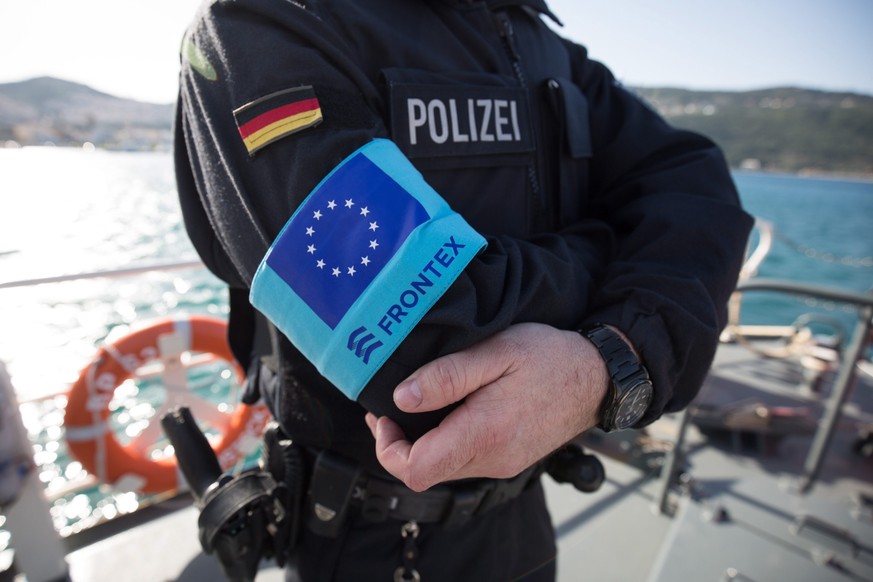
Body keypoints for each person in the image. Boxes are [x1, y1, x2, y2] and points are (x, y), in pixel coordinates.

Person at [174, 0, 754, 579]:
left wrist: (612, 355)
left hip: (522, 520)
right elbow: (421, 353)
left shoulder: (540, 43)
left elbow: (699, 188)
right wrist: (616, 254)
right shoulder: (265, 26)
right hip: (369, 541)